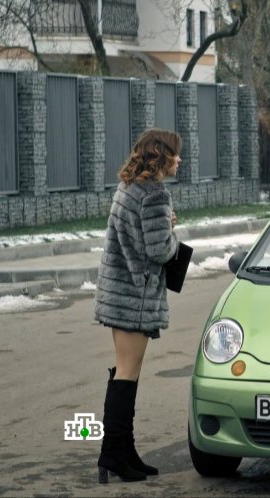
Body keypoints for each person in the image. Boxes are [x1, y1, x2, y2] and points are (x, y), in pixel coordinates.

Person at [93, 129, 182, 483]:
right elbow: (159, 250)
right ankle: (113, 453)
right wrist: (172, 234)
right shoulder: (154, 196)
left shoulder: (127, 189)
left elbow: (134, 237)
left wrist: (164, 227)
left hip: (119, 294)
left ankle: (123, 450)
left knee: (125, 373)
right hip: (135, 297)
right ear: (159, 156)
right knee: (127, 376)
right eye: (174, 154)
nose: (179, 160)